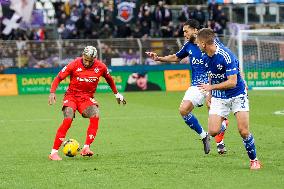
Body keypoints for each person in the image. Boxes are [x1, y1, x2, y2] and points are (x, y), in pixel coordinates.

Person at [145, 19, 229, 154]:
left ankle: (220, 141)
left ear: (195, 30)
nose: (184, 34)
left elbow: (224, 59)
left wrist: (213, 87)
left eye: (186, 31)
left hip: (211, 83)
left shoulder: (211, 42)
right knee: (183, 110)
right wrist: (158, 58)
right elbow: (176, 57)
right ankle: (204, 136)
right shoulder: (189, 45)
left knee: (212, 113)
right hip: (196, 85)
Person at [197, 28, 261, 170]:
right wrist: (210, 94)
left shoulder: (226, 55)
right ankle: (224, 124)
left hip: (237, 94)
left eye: (197, 43)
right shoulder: (205, 56)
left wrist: (211, 88)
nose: (197, 45)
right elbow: (211, 75)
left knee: (243, 131)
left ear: (203, 43)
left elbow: (232, 82)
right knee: (213, 131)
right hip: (220, 97)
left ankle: (254, 160)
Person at [48, 46, 126, 161]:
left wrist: (117, 94)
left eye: (90, 60)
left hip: (87, 98)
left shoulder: (101, 67)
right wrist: (52, 92)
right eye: (86, 59)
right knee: (68, 116)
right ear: (83, 55)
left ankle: (86, 148)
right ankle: (53, 152)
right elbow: (58, 78)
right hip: (71, 96)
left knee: (95, 113)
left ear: (94, 59)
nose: (87, 62)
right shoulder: (74, 64)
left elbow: (109, 79)